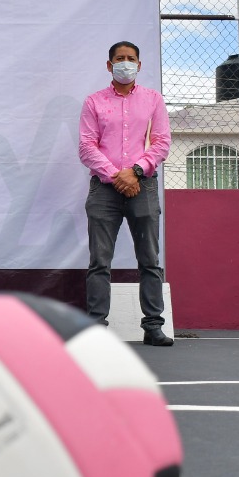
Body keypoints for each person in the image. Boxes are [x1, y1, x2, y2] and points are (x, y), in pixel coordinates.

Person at [77, 41, 173, 346]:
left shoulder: (153, 100)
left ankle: (154, 326)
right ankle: (96, 327)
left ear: (140, 66)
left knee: (149, 258)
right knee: (99, 261)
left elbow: (161, 143)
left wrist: (136, 171)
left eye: (131, 59)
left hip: (142, 185)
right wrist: (115, 175)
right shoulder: (93, 102)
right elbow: (86, 146)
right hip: (104, 188)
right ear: (109, 65)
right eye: (120, 59)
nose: (125, 64)